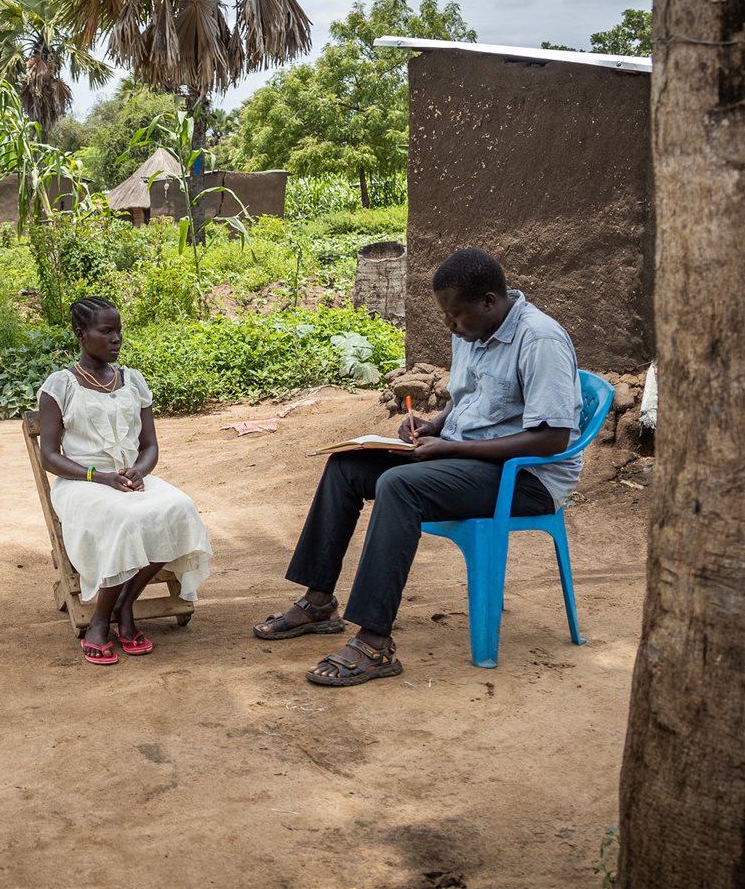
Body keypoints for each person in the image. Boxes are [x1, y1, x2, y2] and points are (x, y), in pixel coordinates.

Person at [253, 248, 583, 687]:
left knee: (400, 485)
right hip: (470, 458)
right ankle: (317, 603)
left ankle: (374, 644)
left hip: (524, 478)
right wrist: (433, 424)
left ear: (489, 301)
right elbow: (467, 399)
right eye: (446, 316)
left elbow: (551, 438)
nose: (450, 325)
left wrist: (448, 449)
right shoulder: (474, 330)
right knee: (346, 466)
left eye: (455, 316)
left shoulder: (539, 340)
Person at [38, 296, 213, 666]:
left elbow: (149, 447)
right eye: (107, 331)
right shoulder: (60, 385)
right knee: (127, 519)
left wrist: (140, 471)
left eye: (119, 331)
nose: (116, 338)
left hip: (130, 480)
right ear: (81, 334)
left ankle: (124, 605)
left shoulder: (133, 381)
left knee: (179, 509)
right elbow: (50, 457)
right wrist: (100, 477)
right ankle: (103, 619)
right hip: (82, 484)